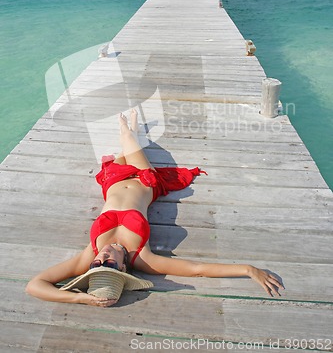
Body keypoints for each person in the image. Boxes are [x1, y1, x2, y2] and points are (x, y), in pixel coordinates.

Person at [26, 110, 284, 307]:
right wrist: (248, 269)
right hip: (143, 178)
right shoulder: (143, 258)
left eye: (97, 263)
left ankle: (133, 128)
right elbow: (198, 270)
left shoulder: (88, 256)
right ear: (124, 269)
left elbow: (34, 285)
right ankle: (129, 126)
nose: (102, 257)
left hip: (114, 179)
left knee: (126, 146)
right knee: (127, 139)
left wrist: (78, 298)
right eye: (109, 264)